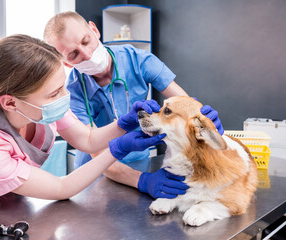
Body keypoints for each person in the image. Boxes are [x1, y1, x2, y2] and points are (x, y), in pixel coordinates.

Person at [0, 34, 168, 232]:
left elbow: (88, 139)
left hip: (15, 206)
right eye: (55, 93)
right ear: (11, 102)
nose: (65, 96)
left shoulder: (39, 108)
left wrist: (124, 123)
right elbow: (62, 188)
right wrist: (118, 149)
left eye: (62, 86)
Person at [44, 12, 224, 199]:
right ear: (66, 62)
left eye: (85, 41)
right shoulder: (71, 93)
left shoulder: (138, 60)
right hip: (96, 173)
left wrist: (201, 119)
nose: (87, 54)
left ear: (94, 30)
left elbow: (184, 104)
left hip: (139, 160)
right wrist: (143, 181)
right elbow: (96, 152)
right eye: (74, 54)